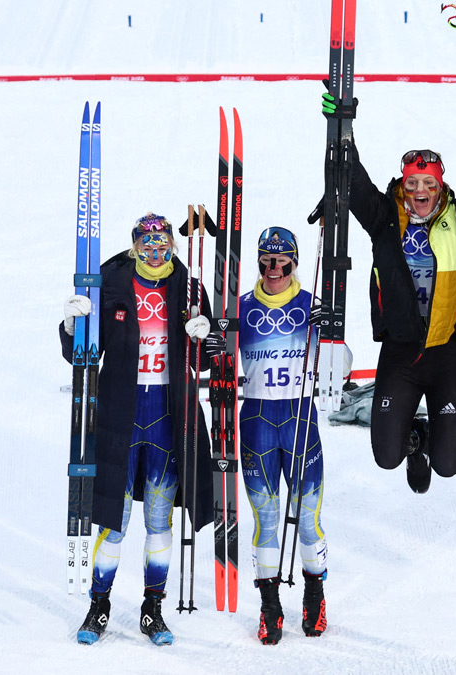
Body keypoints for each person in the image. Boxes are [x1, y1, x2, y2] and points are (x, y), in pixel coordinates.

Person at [322, 90, 456, 493]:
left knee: (451, 465)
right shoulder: (385, 216)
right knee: (386, 455)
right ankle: (415, 438)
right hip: (400, 350)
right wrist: (340, 129)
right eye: (413, 182)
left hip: (446, 349)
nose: (420, 190)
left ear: (440, 185)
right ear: (403, 183)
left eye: (428, 183)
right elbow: (350, 178)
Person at [59, 213, 215, 645]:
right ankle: (98, 606)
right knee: (114, 520)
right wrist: (74, 326)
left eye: (162, 243)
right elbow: (84, 355)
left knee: (159, 520)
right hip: (121, 415)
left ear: (173, 246)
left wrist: (206, 335)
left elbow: (206, 359)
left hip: (168, 416)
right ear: (134, 246)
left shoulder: (188, 286)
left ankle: (153, 609)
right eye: (146, 243)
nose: (155, 251)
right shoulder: (111, 282)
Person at [238, 227, 328, 644]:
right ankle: (270, 606)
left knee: (307, 519)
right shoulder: (240, 308)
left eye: (282, 261)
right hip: (256, 419)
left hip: (299, 420)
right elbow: (208, 362)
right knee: (266, 519)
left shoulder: (311, 306)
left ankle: (315, 592)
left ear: (295, 262)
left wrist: (331, 336)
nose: (273, 269)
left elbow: (340, 367)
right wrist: (212, 338)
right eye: (266, 260)